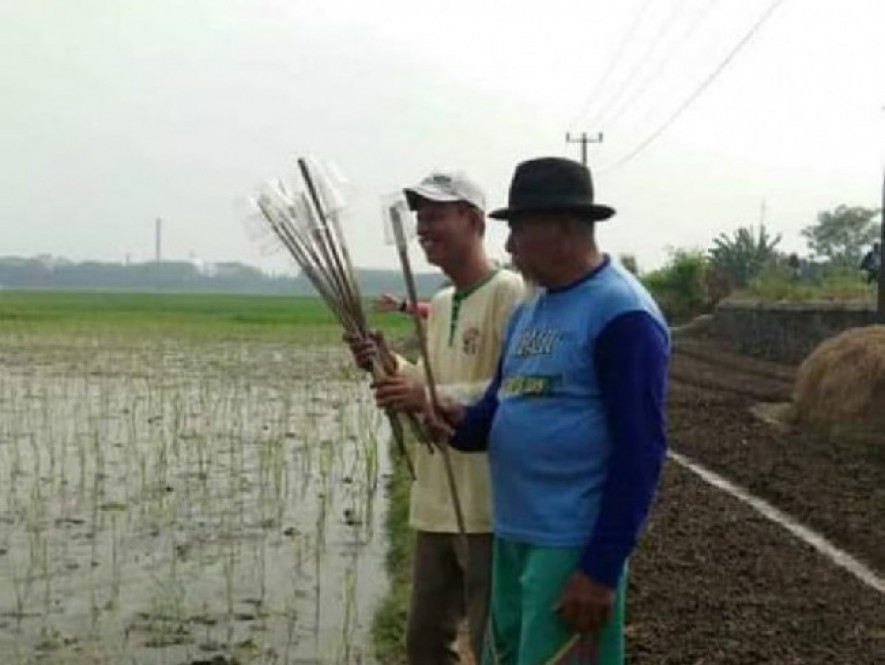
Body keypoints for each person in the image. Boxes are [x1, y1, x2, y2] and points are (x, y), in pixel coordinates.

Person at [424, 157, 670, 664]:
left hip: (569, 546)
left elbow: (640, 450)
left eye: (517, 230)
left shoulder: (621, 314)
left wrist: (600, 569)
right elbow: (497, 409)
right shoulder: (530, 310)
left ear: (563, 227)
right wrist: (455, 424)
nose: (508, 246)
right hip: (512, 533)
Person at [348, 169, 524, 664]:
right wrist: (386, 363)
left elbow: (512, 391)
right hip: (435, 502)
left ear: (473, 220)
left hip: (486, 505)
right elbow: (428, 379)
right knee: (424, 644)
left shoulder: (509, 294)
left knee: (493, 643)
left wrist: (423, 396)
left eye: (436, 217)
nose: (423, 229)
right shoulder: (443, 302)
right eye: (420, 219)